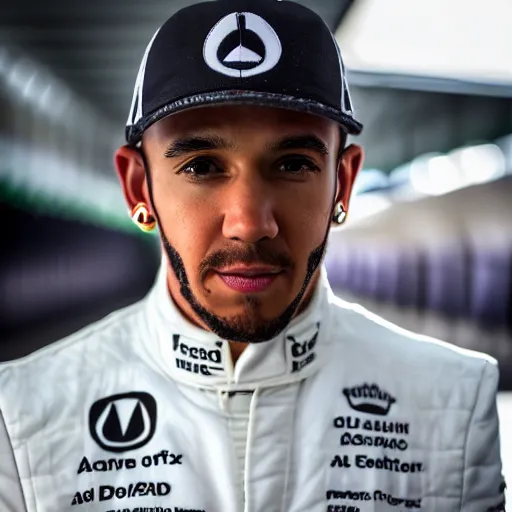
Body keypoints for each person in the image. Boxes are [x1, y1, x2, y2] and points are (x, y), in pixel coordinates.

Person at [0, 0, 506, 510]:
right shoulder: (23, 416)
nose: (250, 223)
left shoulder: (454, 401)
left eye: (292, 163)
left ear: (342, 184)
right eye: (201, 167)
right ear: (139, 187)